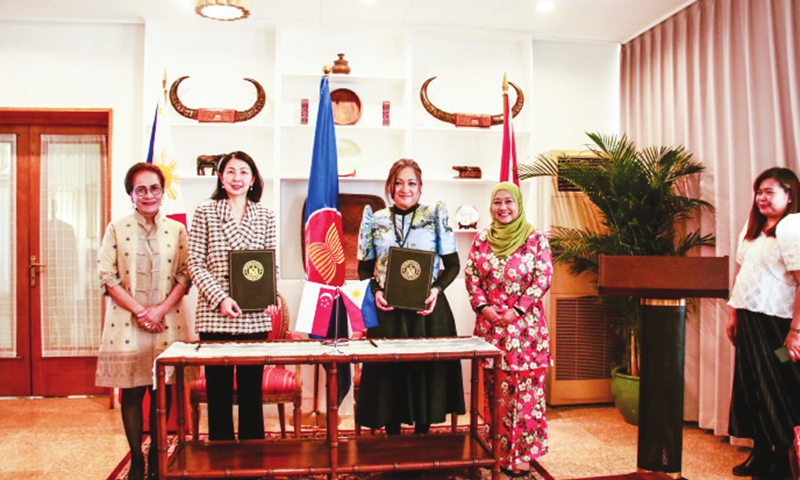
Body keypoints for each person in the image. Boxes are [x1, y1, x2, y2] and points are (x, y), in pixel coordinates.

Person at [355, 158, 465, 434]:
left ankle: (423, 436)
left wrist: (435, 290)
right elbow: (364, 267)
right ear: (390, 186)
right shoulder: (375, 219)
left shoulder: (434, 216)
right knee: (389, 379)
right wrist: (376, 291)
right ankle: (392, 438)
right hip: (388, 314)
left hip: (427, 313)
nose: (405, 188)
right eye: (399, 182)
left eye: (412, 183)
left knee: (424, 375)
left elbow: (453, 265)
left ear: (420, 187)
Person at [95, 163, 191, 480]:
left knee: (161, 394)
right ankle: (137, 459)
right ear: (131, 194)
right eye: (141, 189)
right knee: (133, 393)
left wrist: (159, 310)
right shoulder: (117, 228)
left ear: (163, 193)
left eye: (155, 189)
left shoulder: (176, 229)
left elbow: (184, 275)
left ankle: (157, 456)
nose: (149, 195)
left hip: (167, 323)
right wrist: (141, 311)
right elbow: (107, 277)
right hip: (127, 324)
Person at [187, 150, 280, 441]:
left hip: (253, 316)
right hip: (215, 315)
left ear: (253, 179)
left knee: (252, 390)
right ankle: (221, 455)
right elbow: (194, 263)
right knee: (219, 392)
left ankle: (253, 455)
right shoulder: (206, 210)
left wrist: (270, 295)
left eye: (243, 172)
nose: (236, 178)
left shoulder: (266, 215)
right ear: (220, 176)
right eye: (230, 171)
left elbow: (270, 264)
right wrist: (220, 298)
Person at [464, 181, 553, 478]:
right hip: (491, 330)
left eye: (509, 202)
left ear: (518, 205)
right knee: (495, 390)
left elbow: (543, 277)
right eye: (497, 203)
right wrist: (483, 308)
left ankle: (523, 453)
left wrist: (516, 310)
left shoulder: (536, 239)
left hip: (526, 331)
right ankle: (498, 448)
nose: (503, 208)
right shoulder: (481, 240)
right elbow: (472, 276)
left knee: (525, 393)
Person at [727, 167, 800, 480]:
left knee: (779, 389)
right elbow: (741, 273)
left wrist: (796, 331)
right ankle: (760, 453)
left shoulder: (792, 227)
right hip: (748, 316)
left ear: (789, 194)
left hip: (778, 323)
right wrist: (733, 314)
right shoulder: (753, 227)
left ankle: (784, 460)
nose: (761, 198)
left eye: (769, 191)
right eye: (759, 191)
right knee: (750, 387)